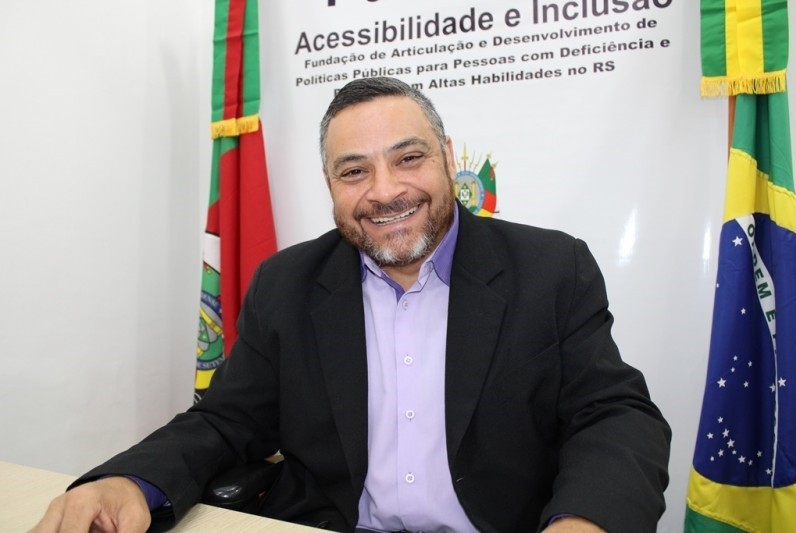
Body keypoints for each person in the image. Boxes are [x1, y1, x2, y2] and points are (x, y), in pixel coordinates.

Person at [34, 77, 670, 533]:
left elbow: (613, 414)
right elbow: (226, 421)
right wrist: (128, 480)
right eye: (355, 171)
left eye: (409, 158)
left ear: (448, 159)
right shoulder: (287, 282)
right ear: (330, 185)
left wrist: (584, 521)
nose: (386, 191)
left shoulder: (550, 268)